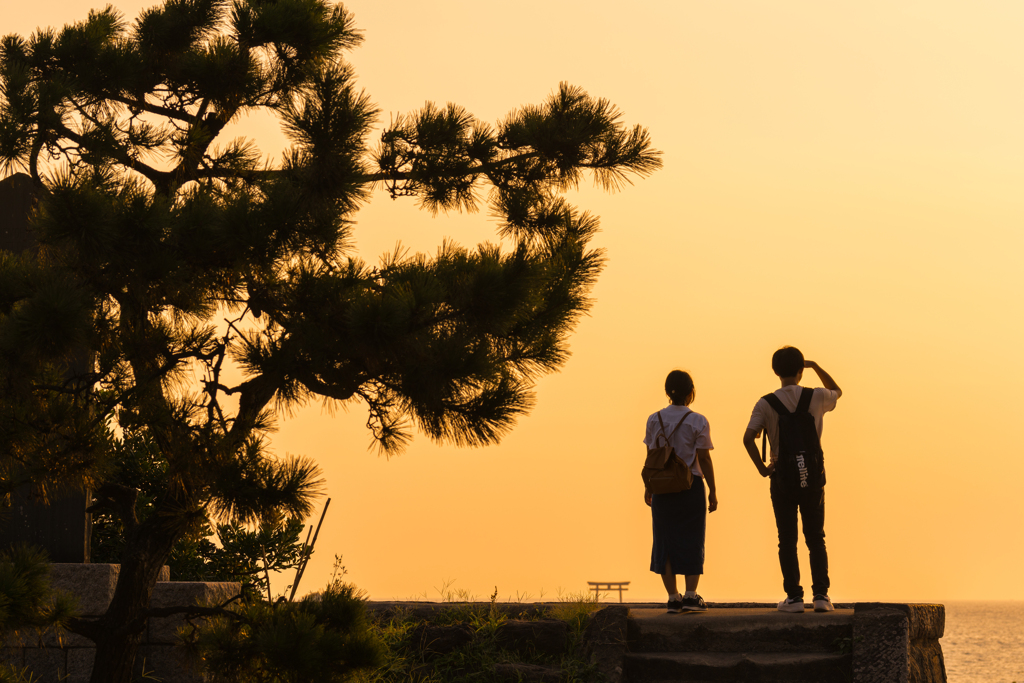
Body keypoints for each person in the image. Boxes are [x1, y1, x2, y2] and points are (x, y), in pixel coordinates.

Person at [742, 346, 842, 613]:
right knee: (815, 537)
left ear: (775, 371)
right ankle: (821, 596)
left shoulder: (765, 403)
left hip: (782, 478)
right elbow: (838, 391)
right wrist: (816, 366)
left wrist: (764, 469)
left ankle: (794, 598)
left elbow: (748, 438)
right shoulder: (816, 397)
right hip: (812, 478)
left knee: (787, 538)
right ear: (800, 370)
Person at [644, 370, 718, 613]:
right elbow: (704, 459)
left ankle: (673, 598)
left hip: (663, 487)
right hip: (691, 486)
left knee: (664, 541)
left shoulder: (654, 419)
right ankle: (690, 596)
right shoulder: (698, 421)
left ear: (667, 392)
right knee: (692, 538)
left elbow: (651, 458)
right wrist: (713, 489)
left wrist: (648, 487)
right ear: (691, 393)